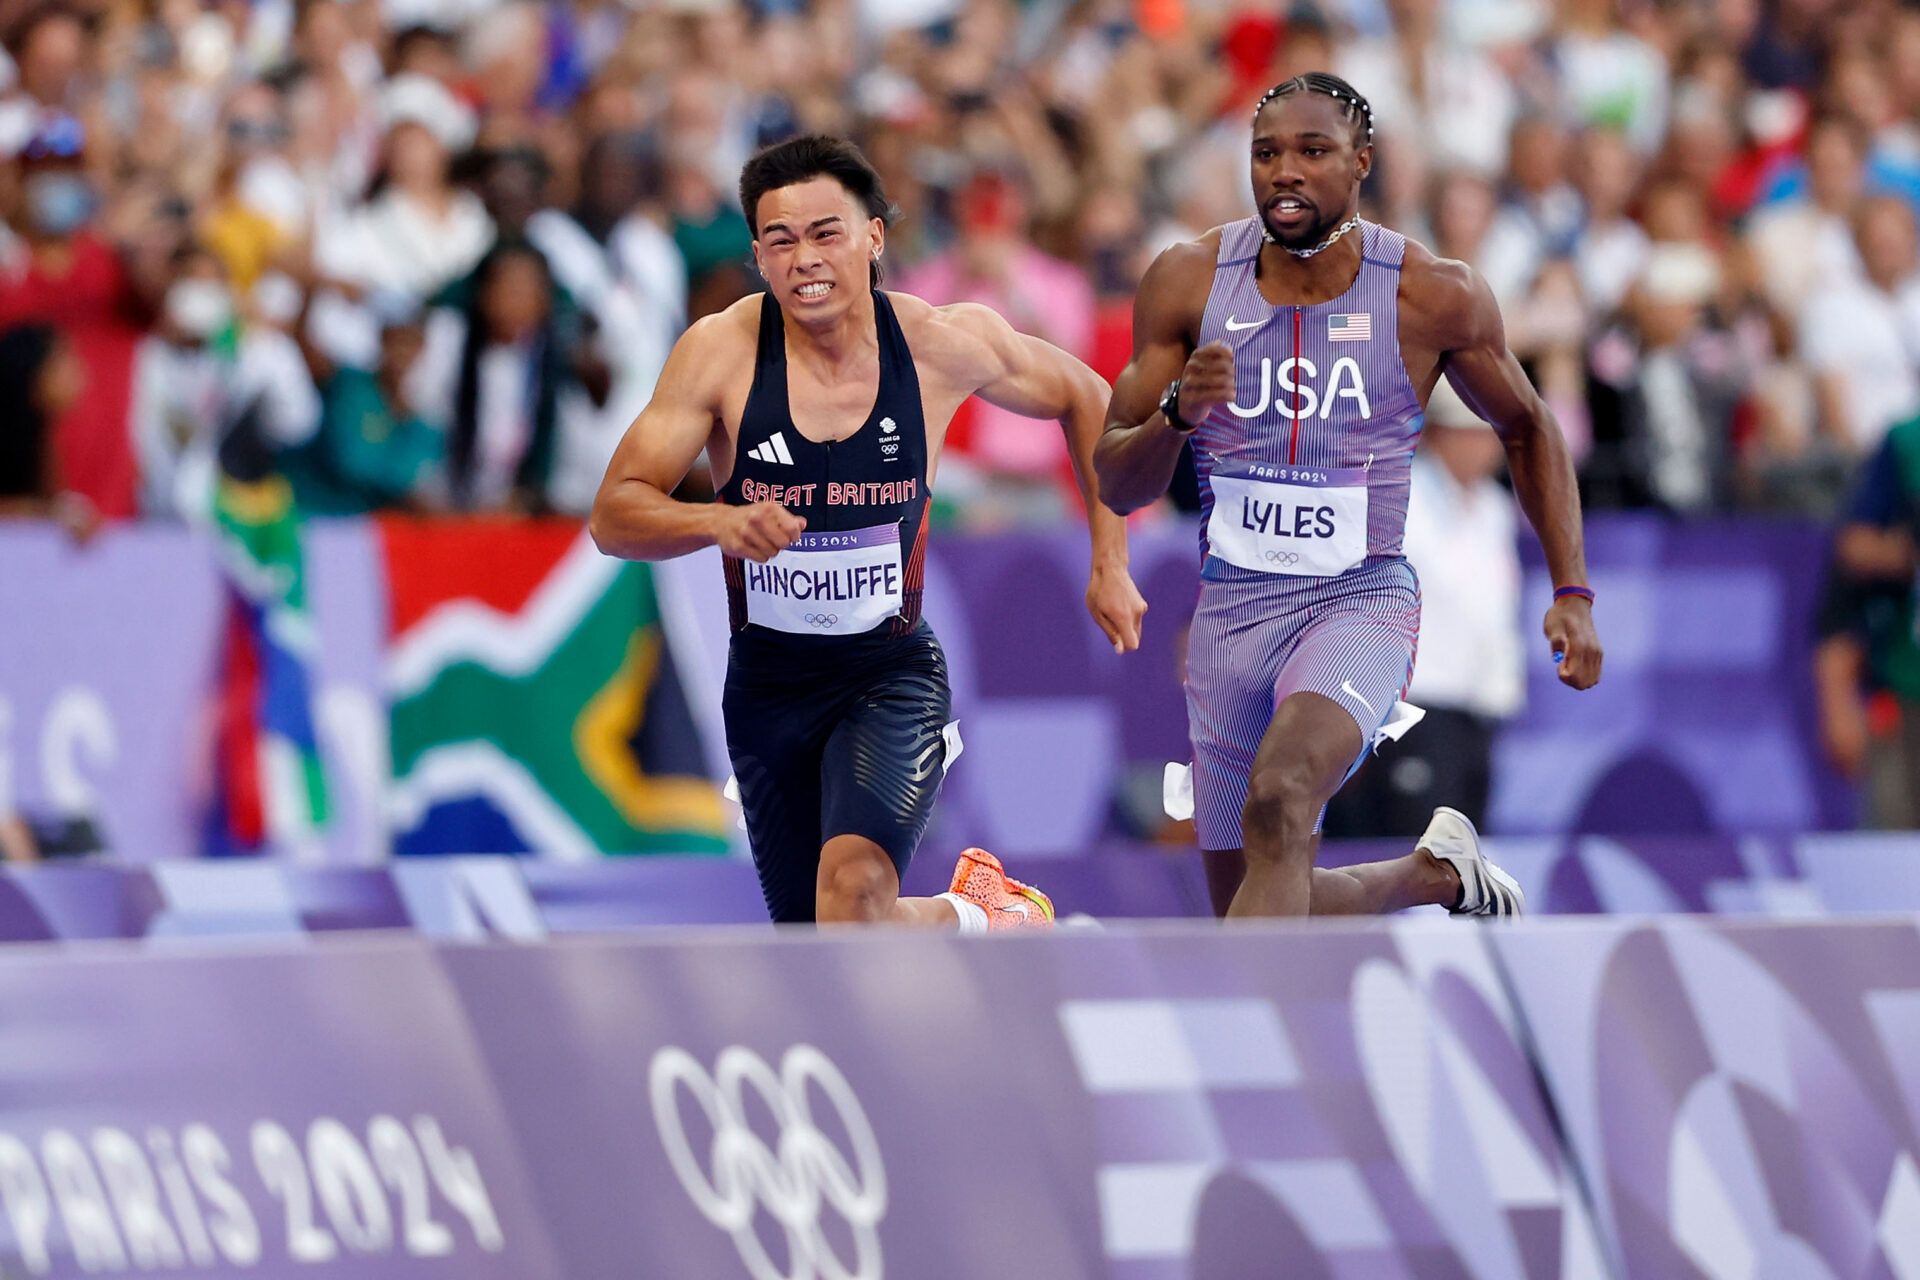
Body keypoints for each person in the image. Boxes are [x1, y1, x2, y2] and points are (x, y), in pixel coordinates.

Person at [590, 134, 1146, 929]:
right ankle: (978, 912)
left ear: (874, 237)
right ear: (757, 255)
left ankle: (978, 917)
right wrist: (717, 519)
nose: (804, 259)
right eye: (780, 241)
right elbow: (613, 515)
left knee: (852, 899)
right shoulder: (720, 354)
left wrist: (1110, 564)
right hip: (768, 688)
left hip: (889, 675)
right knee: (823, 943)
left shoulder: (937, 344)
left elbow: (1088, 396)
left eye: (826, 233)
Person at [1096, 73, 1603, 920]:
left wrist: (1573, 592)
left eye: (1312, 151)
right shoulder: (1188, 283)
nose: (1284, 171)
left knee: (1282, 797)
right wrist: (1179, 414)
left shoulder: (1431, 294)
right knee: (1253, 892)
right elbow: (1117, 478)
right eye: (1266, 154)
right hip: (1231, 612)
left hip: (1357, 603)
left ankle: (1267, 1051)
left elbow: (1528, 427)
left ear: (1361, 163)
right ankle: (1431, 877)